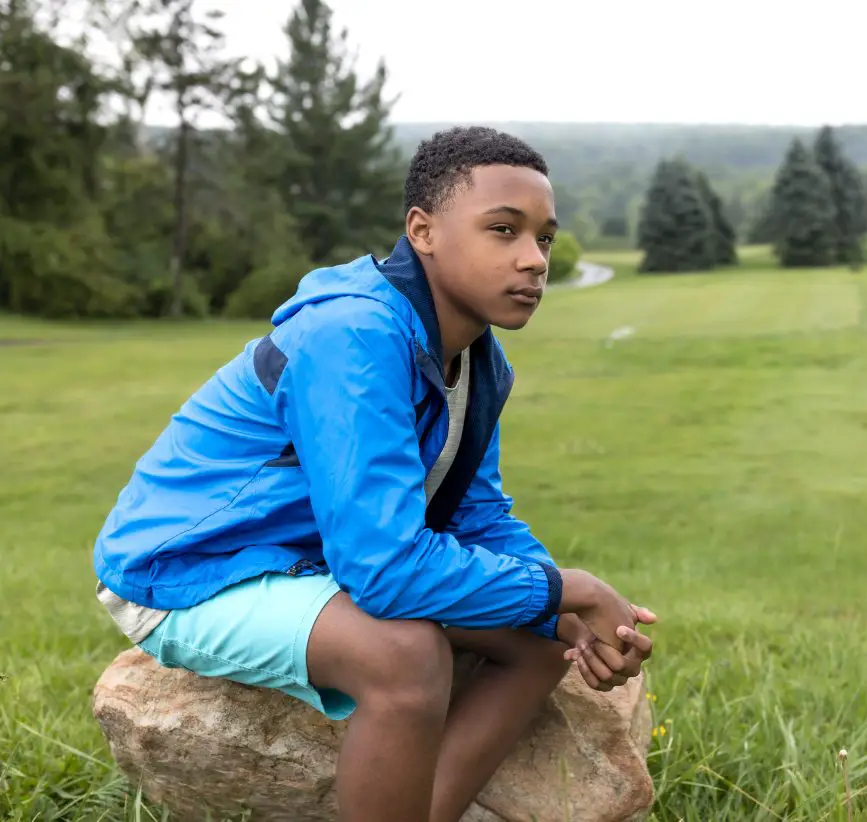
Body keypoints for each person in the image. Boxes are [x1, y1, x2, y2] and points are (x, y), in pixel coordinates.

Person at [93, 125, 656, 822]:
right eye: (503, 230)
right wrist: (571, 585)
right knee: (404, 653)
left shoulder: (478, 362)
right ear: (422, 230)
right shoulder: (352, 335)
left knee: (542, 639)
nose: (532, 260)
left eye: (542, 237)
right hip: (186, 571)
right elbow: (384, 570)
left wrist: (561, 609)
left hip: (306, 563)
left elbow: (474, 515)